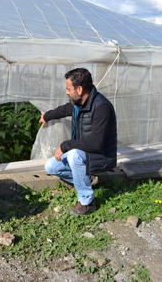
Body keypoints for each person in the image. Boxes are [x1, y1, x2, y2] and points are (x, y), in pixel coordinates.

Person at [39, 68, 117, 215]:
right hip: (86, 154)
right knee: (51, 166)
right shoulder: (79, 103)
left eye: (69, 89)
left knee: (74, 154)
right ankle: (88, 179)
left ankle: (87, 202)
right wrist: (47, 116)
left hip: (102, 156)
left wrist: (65, 146)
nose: (66, 92)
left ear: (79, 89)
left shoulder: (102, 107)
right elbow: (64, 110)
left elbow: (96, 143)